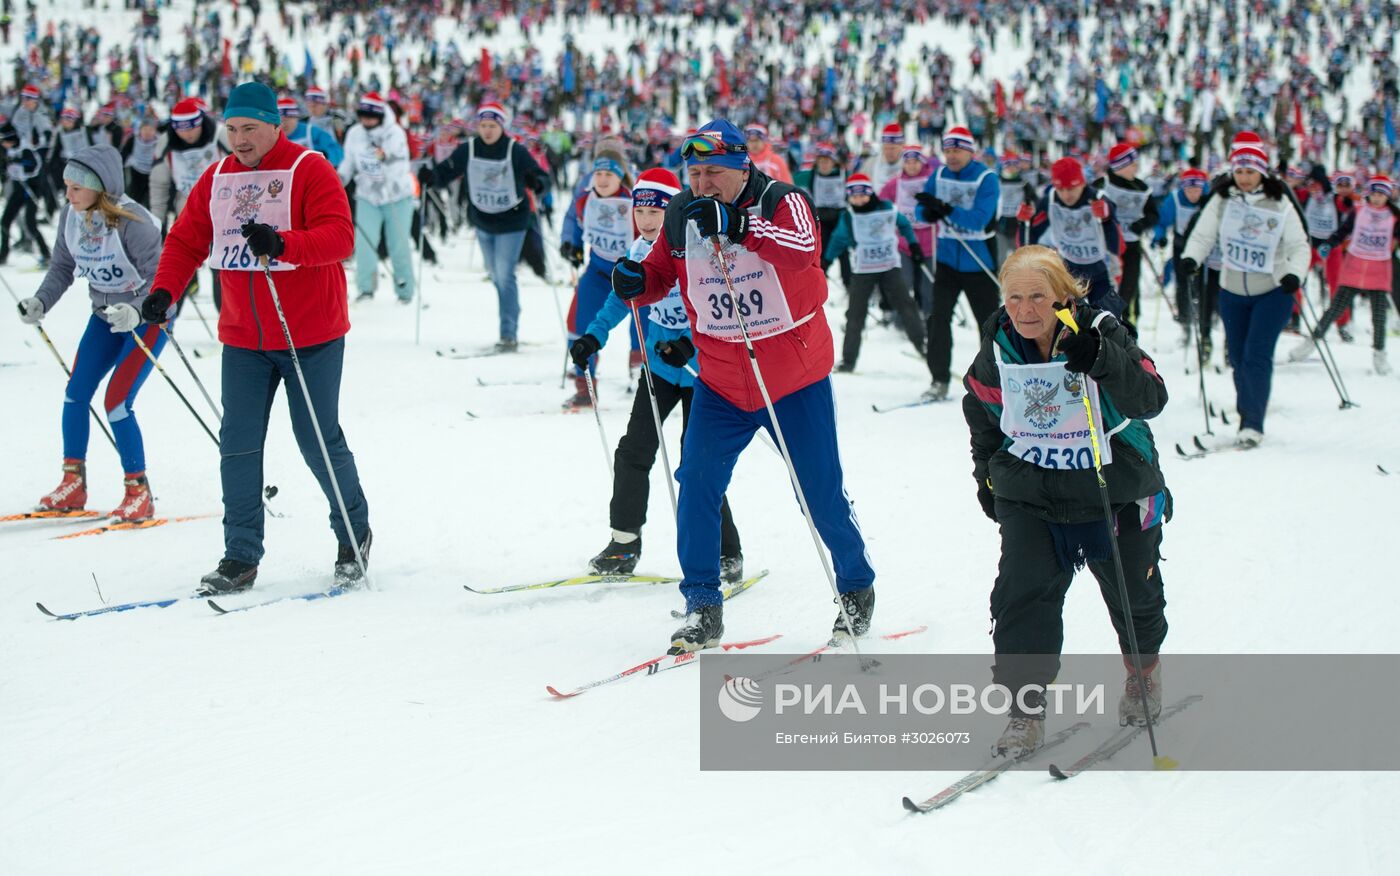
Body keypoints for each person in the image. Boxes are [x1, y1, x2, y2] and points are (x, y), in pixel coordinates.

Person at [610, 119, 877, 652]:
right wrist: (638, 283)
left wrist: (738, 226)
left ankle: (855, 585)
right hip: (723, 381)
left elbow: (801, 249)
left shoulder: (783, 199)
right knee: (698, 485)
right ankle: (702, 605)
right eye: (695, 172)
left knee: (819, 494)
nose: (701, 182)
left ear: (741, 166)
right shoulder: (682, 211)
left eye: (713, 172)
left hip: (793, 379)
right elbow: (662, 271)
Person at [139, 81, 370, 595]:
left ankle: (353, 536)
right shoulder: (218, 176)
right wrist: (165, 290)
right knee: (238, 443)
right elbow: (185, 239)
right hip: (244, 336)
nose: (239, 139)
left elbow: (340, 235)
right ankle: (240, 555)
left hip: (310, 332)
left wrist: (284, 242)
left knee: (316, 439)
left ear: (274, 124)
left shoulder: (308, 168)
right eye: (232, 128)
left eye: (249, 128)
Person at [962, 245, 1170, 758]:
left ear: (1063, 296)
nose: (1025, 309)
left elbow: (1151, 398)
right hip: (1033, 492)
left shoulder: (1101, 330)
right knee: (1020, 598)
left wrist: (1102, 359)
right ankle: (1023, 712)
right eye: (1015, 298)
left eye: (1038, 297)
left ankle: (1142, 673)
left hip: (1114, 486)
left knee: (1133, 597)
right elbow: (982, 412)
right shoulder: (999, 346)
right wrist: (987, 477)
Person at [568, 168, 745, 582]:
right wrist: (592, 338)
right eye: (640, 211)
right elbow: (619, 298)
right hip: (660, 369)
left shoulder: (696, 249)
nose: (647, 220)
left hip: (703, 372)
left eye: (656, 211)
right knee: (633, 451)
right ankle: (623, 544)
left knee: (698, 464)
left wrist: (691, 344)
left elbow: (722, 307)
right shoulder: (637, 250)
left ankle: (726, 551)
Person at [19, 144, 165, 521]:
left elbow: (164, 284)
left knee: (116, 402)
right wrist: (40, 302)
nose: (67, 196)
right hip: (103, 319)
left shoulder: (137, 223)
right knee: (75, 393)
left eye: (75, 188)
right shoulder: (73, 217)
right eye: (66, 187)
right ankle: (73, 483)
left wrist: (136, 311)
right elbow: (61, 268)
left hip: (144, 323)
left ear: (99, 188)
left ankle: (139, 490)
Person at [1180, 142, 1311, 448]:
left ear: (1262, 172)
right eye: (1239, 171)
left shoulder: (1279, 201)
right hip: (1233, 290)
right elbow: (1202, 234)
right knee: (1238, 358)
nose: (1245, 177)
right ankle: (1246, 411)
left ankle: (1252, 423)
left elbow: (1299, 245)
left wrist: (1295, 274)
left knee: (1256, 355)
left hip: (1273, 290)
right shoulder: (1223, 199)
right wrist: (1191, 258)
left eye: (1251, 171)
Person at [420, 101, 549, 351]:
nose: (488, 131)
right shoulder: (468, 149)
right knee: (495, 273)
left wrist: (537, 182)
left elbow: (542, 176)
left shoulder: (514, 150)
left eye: (492, 125)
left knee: (504, 273)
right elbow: (446, 172)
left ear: (502, 126)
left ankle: (508, 331)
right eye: (483, 125)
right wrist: (431, 177)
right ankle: (510, 304)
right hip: (483, 220)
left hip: (513, 220)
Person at [914, 125, 1002, 401]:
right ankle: (938, 379)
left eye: (957, 151)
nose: (951, 156)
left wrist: (947, 209)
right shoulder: (939, 174)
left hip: (980, 262)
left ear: (970, 152)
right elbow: (922, 207)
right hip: (948, 261)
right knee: (938, 319)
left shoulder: (986, 178)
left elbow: (979, 219)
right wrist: (928, 212)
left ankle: (996, 381)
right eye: (948, 150)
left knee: (988, 325)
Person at [1290, 175, 1399, 374]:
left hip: (1379, 269)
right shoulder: (1359, 212)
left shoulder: (1394, 216)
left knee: (1379, 315)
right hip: (1355, 265)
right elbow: (1342, 232)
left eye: (1381, 195)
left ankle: (1379, 355)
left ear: (1387, 196)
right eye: (1373, 193)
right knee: (1335, 308)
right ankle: (1310, 343)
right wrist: (1329, 244)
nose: (1376, 198)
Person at [821, 172, 928, 371]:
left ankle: (922, 346)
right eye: (853, 195)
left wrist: (913, 245)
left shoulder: (887, 209)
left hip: (889, 267)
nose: (858, 199)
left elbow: (904, 224)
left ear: (870, 193)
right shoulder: (849, 217)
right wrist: (826, 261)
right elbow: (837, 239)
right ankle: (848, 360)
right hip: (863, 270)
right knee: (855, 314)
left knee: (907, 306)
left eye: (862, 194)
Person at [559, 144, 635, 408]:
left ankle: (641, 373)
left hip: (630, 274)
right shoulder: (585, 199)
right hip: (597, 271)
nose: (602, 180)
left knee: (643, 325)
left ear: (620, 177)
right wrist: (572, 244)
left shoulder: (633, 201)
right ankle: (585, 388)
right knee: (582, 325)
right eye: (598, 175)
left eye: (609, 175)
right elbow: (574, 224)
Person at [149, 98, 228, 309]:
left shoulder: (220, 134)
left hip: (225, 213)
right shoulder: (166, 143)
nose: (188, 134)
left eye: (193, 127)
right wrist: (157, 223)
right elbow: (159, 185)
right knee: (178, 266)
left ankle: (228, 318)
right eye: (181, 129)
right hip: (189, 214)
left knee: (220, 268)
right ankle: (167, 317)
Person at [338, 91, 416, 303]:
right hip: (367, 196)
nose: (367, 120)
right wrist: (338, 179)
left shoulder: (394, 133)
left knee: (398, 244)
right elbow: (349, 162)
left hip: (396, 195)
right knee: (364, 243)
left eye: (371, 116)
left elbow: (394, 160)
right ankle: (366, 288)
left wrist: (379, 161)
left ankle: (405, 290)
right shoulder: (355, 133)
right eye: (363, 115)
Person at [1023, 156, 1125, 316]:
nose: (1066, 194)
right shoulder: (1049, 200)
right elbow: (1029, 241)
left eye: (1071, 188)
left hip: (1101, 272)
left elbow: (1117, 244)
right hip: (1069, 273)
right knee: (1068, 325)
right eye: (1060, 189)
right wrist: (1024, 222)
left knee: (1111, 324)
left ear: (1082, 183)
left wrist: (1106, 219)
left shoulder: (1097, 199)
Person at [1096, 143, 1159, 322]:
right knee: (1107, 290)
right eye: (1132, 164)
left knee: (1128, 289)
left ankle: (1128, 325)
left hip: (1131, 246)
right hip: (1107, 247)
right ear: (1120, 166)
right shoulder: (1103, 185)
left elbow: (1153, 214)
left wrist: (1142, 224)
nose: (1136, 167)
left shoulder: (1142, 188)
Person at [1153, 167, 1213, 344]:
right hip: (1182, 245)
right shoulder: (1175, 199)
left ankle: (1203, 319)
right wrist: (1160, 237)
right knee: (1182, 283)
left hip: (1204, 247)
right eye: (1189, 190)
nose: (1193, 194)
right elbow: (1162, 221)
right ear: (1183, 188)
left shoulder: (1208, 199)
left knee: (1202, 284)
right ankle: (1185, 322)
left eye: (1197, 190)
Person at [793, 142, 848, 285]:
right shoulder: (811, 175)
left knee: (843, 249)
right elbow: (790, 179)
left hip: (839, 216)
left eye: (827, 162)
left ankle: (848, 282)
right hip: (821, 215)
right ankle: (819, 278)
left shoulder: (844, 174)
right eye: (821, 162)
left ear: (833, 162)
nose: (824, 165)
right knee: (820, 248)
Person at [0, 122, 50, 266]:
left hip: (31, 189)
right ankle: (3, 254)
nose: (3, 144)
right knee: (5, 221)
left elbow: (35, 166)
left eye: (4, 141)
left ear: (11, 139)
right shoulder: (5, 150)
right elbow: (4, 170)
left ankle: (46, 254)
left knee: (30, 223)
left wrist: (20, 164)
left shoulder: (25, 148)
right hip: (18, 189)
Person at [277, 97, 343, 167]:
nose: (284, 124)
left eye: (288, 119)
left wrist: (325, 156)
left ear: (296, 118)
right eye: (280, 120)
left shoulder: (311, 132)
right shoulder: (271, 136)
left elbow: (337, 151)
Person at [864, 123, 905, 193]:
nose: (889, 152)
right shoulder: (870, 164)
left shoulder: (911, 164)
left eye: (892, 148)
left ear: (901, 146)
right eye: (886, 148)